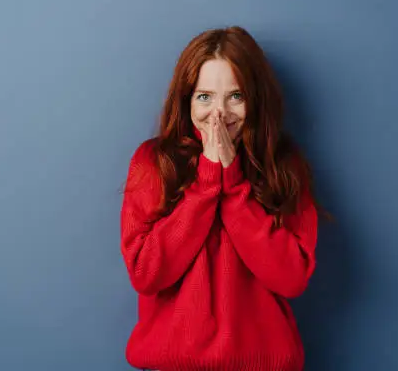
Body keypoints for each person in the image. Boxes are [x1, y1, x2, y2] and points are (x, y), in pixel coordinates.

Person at [120, 26, 321, 371]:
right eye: (205, 96)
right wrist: (207, 183)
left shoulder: (285, 166)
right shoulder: (154, 163)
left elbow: (291, 277)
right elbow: (146, 273)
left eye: (235, 97)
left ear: (254, 100)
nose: (219, 113)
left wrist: (233, 186)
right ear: (186, 100)